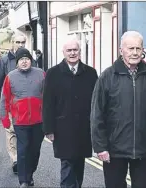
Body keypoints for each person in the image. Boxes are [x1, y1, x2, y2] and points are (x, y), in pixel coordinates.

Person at [91, 31, 146, 188]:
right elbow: (97, 115)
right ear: (120, 50)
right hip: (114, 150)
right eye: (130, 48)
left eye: (138, 48)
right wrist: (100, 147)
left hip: (144, 149)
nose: (135, 53)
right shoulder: (107, 77)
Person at [42, 39, 98, 188]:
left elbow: (96, 103)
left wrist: (97, 128)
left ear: (80, 52)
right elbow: (47, 103)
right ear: (64, 52)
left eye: (75, 50)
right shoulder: (53, 73)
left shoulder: (91, 73)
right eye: (69, 50)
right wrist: (49, 129)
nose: (73, 53)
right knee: (67, 165)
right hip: (63, 128)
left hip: (84, 128)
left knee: (79, 164)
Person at [0, 47, 45, 188]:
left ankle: (30, 173)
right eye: (21, 60)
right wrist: (5, 118)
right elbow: (4, 99)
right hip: (20, 121)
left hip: (39, 121)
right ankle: (23, 180)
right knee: (23, 149)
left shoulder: (41, 74)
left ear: (30, 61)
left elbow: (49, 97)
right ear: (17, 62)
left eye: (27, 59)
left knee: (35, 150)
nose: (24, 62)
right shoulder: (10, 77)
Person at [0, 33, 33, 174]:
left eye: (23, 42)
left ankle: (23, 158)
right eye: (17, 42)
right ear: (12, 43)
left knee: (27, 135)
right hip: (10, 103)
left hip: (27, 105)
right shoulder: (4, 60)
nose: (20, 44)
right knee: (11, 131)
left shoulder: (29, 59)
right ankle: (15, 160)